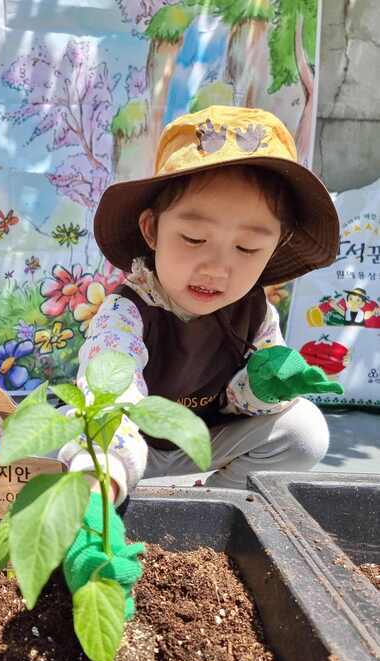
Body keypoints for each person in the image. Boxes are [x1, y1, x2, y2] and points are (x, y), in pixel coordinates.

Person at [61, 106, 343, 617]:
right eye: (193, 238)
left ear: (274, 245)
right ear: (151, 229)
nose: (217, 267)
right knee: (74, 434)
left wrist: (265, 387)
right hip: (134, 443)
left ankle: (212, 510)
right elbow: (113, 398)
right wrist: (100, 490)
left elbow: (237, 404)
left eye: (248, 246)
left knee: (303, 430)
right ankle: (100, 511)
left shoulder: (256, 312)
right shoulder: (127, 312)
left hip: (198, 440)